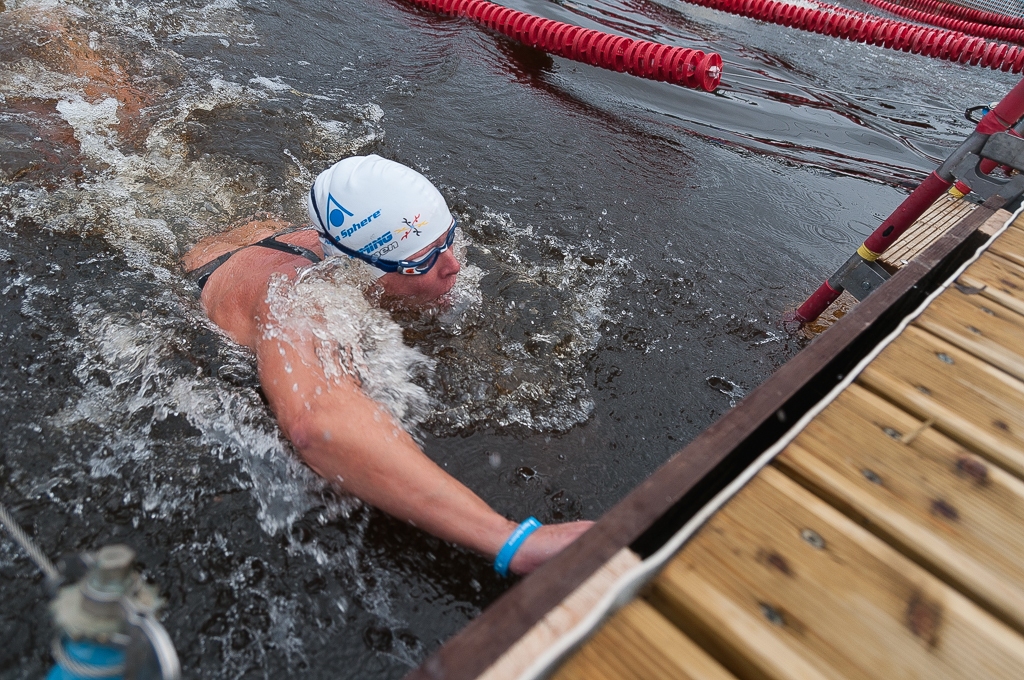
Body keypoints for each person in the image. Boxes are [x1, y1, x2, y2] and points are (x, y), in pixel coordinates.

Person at [183, 155, 592, 575]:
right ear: (359, 269)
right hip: (209, 274)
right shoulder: (298, 304)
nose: (453, 265)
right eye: (422, 261)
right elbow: (316, 425)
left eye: (448, 239)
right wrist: (512, 541)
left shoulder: (367, 248)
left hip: (261, 233)